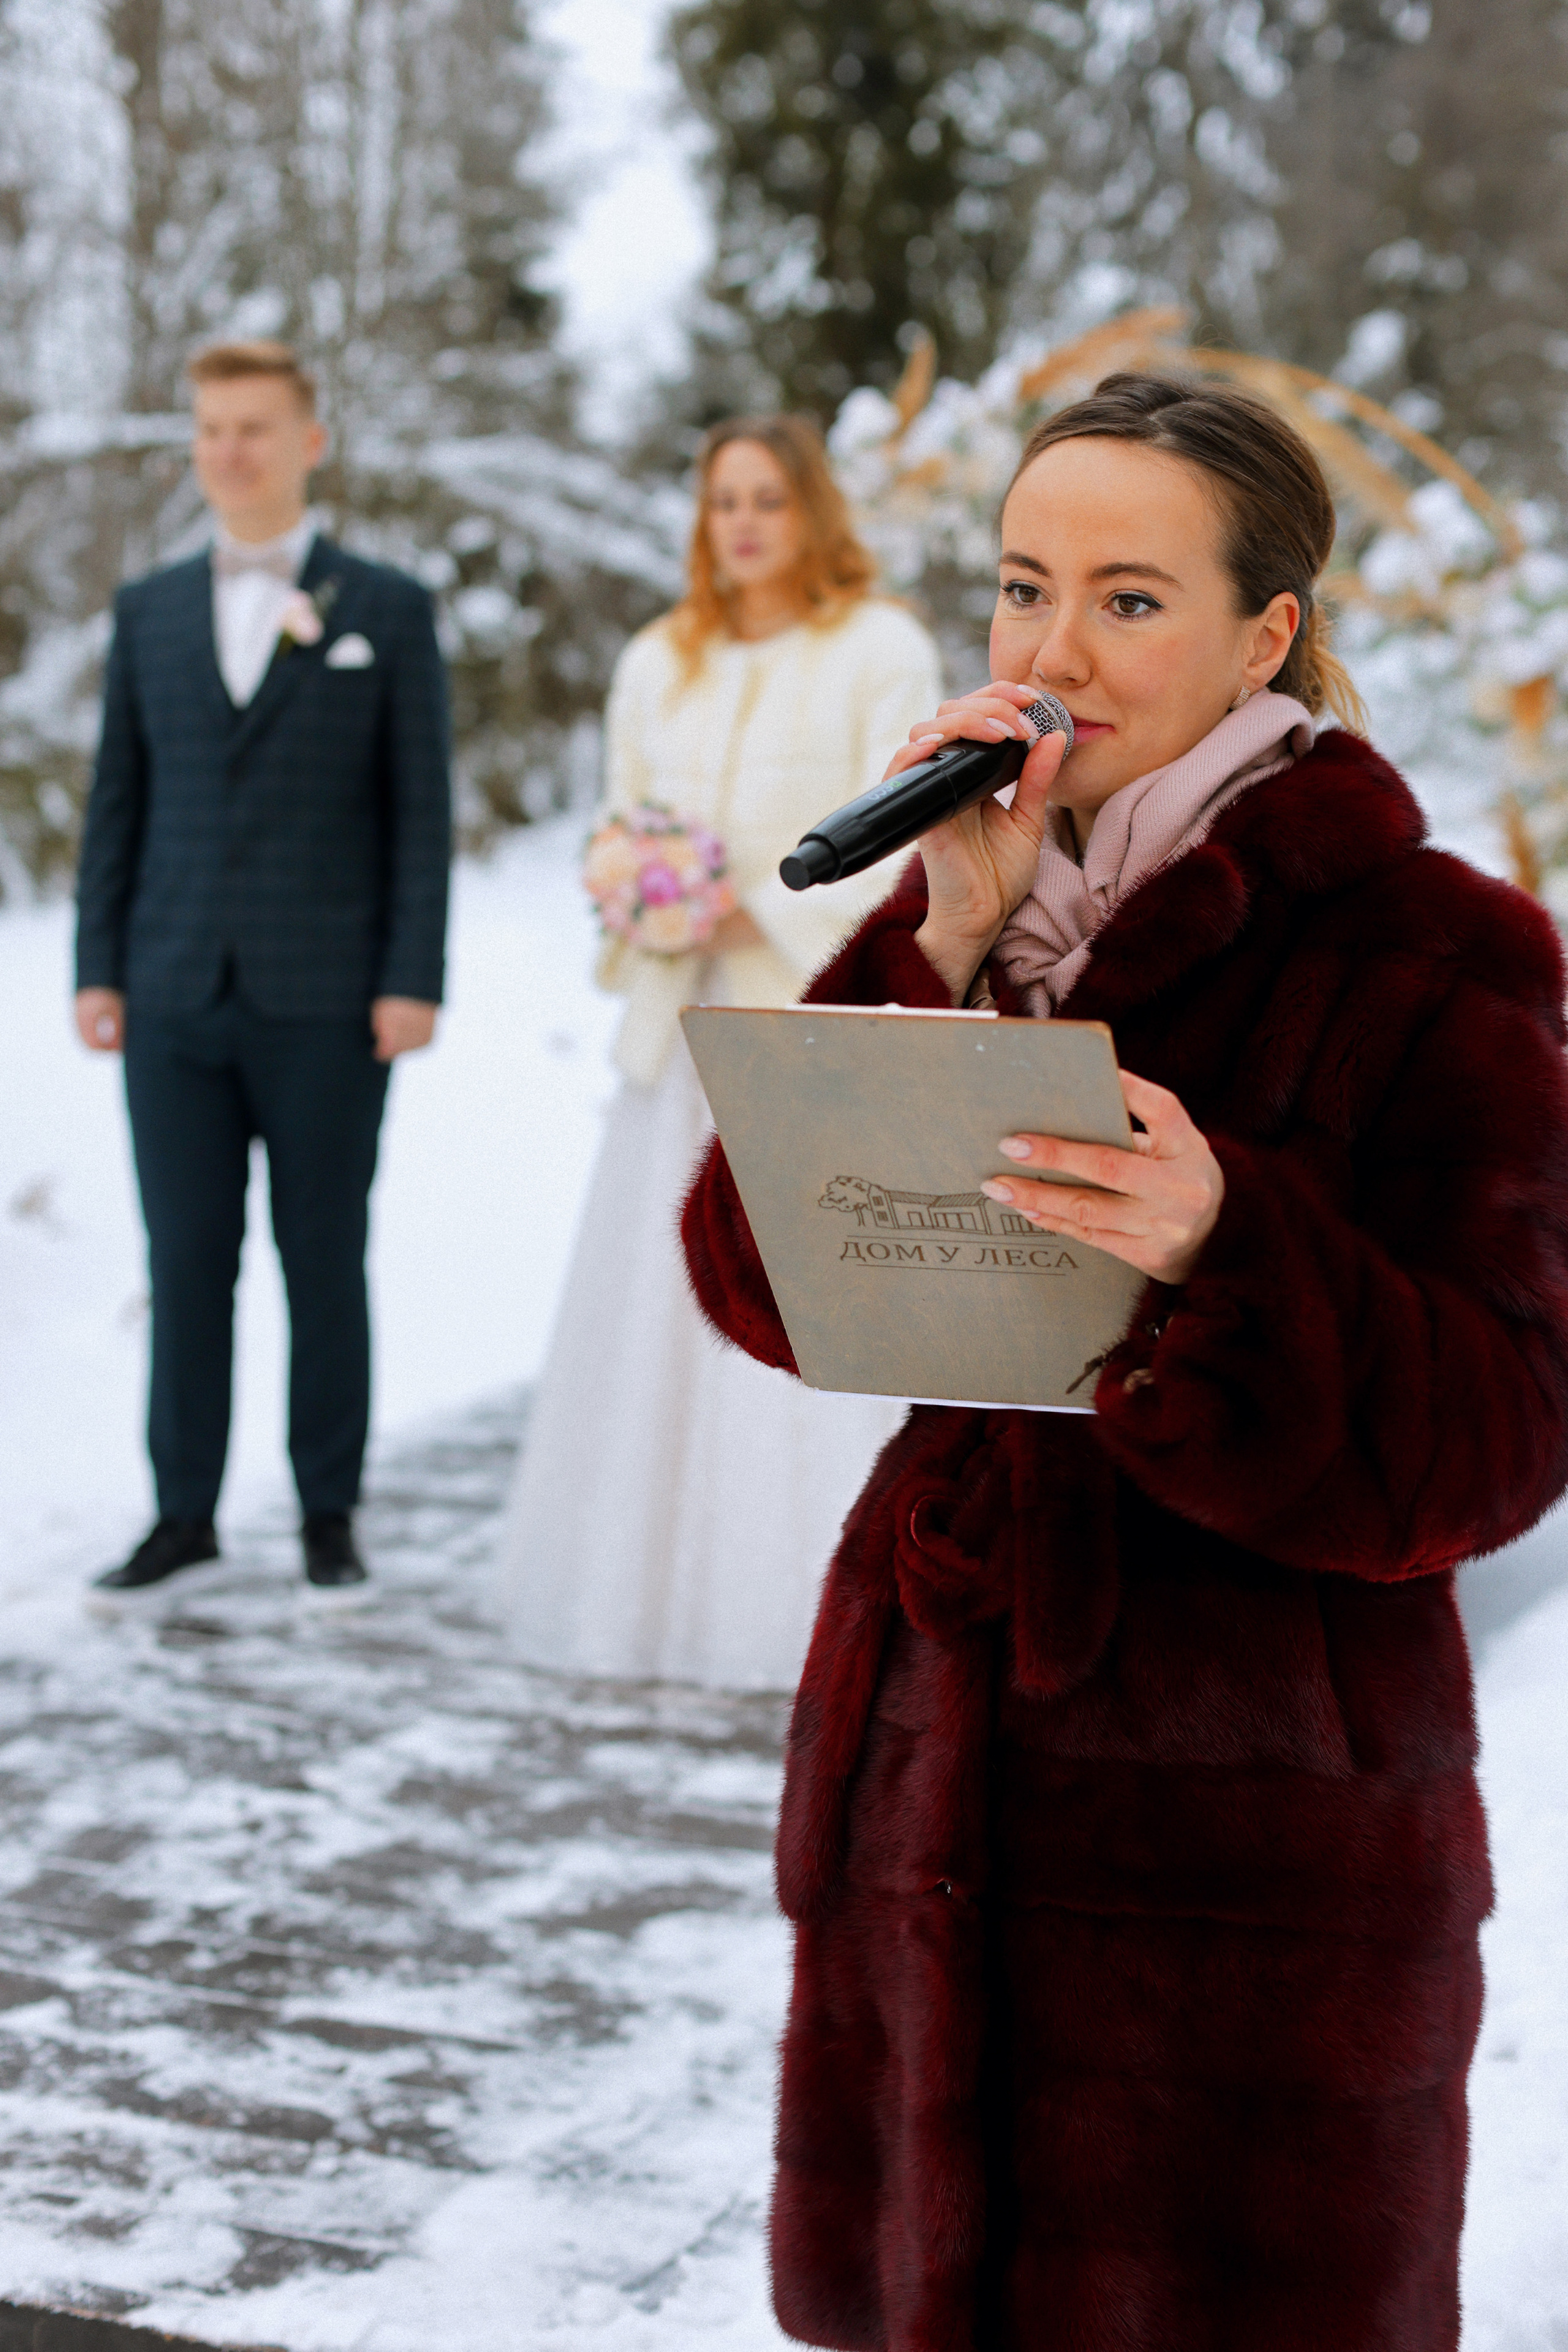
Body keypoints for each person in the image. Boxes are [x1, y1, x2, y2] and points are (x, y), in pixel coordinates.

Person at [682, 374, 1568, 2343]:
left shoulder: (1442, 955)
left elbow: (1501, 1443)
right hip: (933, 1798)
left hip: (1243, 1870)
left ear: (1267, 634)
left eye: (1130, 599)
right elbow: (757, 1284)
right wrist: (935, 950)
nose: (1053, 654)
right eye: (1023, 587)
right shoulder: (970, 905)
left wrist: (1229, 1249)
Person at [496, 415, 942, 1688]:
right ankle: (641, 1596)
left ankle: (815, 1602)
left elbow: (909, 836)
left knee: (801, 1300)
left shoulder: (881, 648)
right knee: (662, 1309)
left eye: (767, 499)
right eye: (722, 501)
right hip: (678, 1028)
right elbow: (618, 818)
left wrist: (757, 910)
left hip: (803, 1025)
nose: (742, 523)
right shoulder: (658, 659)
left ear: (814, 512)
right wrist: (640, 889)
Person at [75, 341, 451, 1599]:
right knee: (186, 1263)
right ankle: (181, 1515)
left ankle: (327, 1514)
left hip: (330, 1003)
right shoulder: (148, 611)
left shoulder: (385, 608)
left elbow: (419, 813)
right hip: (171, 994)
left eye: (254, 427)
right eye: (211, 428)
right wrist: (98, 966)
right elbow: (117, 802)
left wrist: (412, 977)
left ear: (308, 443)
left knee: (323, 1261)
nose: (229, 449)